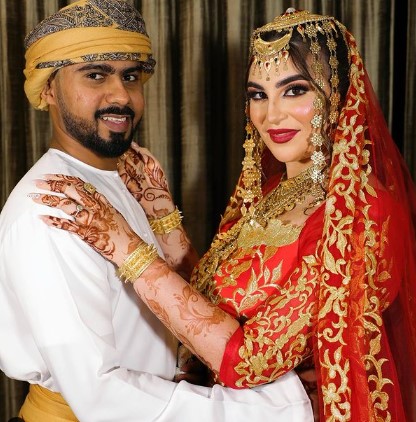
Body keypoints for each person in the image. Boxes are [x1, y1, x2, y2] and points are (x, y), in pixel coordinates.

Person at [33, 7, 416, 422]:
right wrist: (161, 212)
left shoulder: (362, 215)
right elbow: (214, 302)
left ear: (337, 93)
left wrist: (127, 250)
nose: (271, 115)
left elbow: (249, 361)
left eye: (294, 90)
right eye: (258, 95)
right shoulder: (276, 190)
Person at [0, 1, 313, 421]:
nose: (121, 96)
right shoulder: (52, 206)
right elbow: (100, 396)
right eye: (95, 75)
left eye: (130, 76)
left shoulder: (123, 177)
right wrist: (269, 409)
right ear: (48, 90)